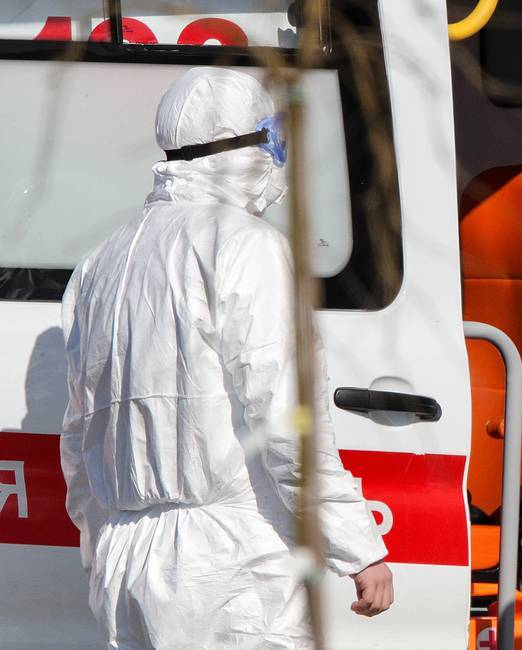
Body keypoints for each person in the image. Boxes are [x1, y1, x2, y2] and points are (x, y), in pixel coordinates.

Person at [60, 67, 392, 648]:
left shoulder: (101, 264)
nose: (279, 158)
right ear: (241, 148)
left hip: (125, 558)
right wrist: (358, 548)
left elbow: (80, 434)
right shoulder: (244, 245)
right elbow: (284, 420)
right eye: (273, 139)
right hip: (232, 564)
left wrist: (98, 547)